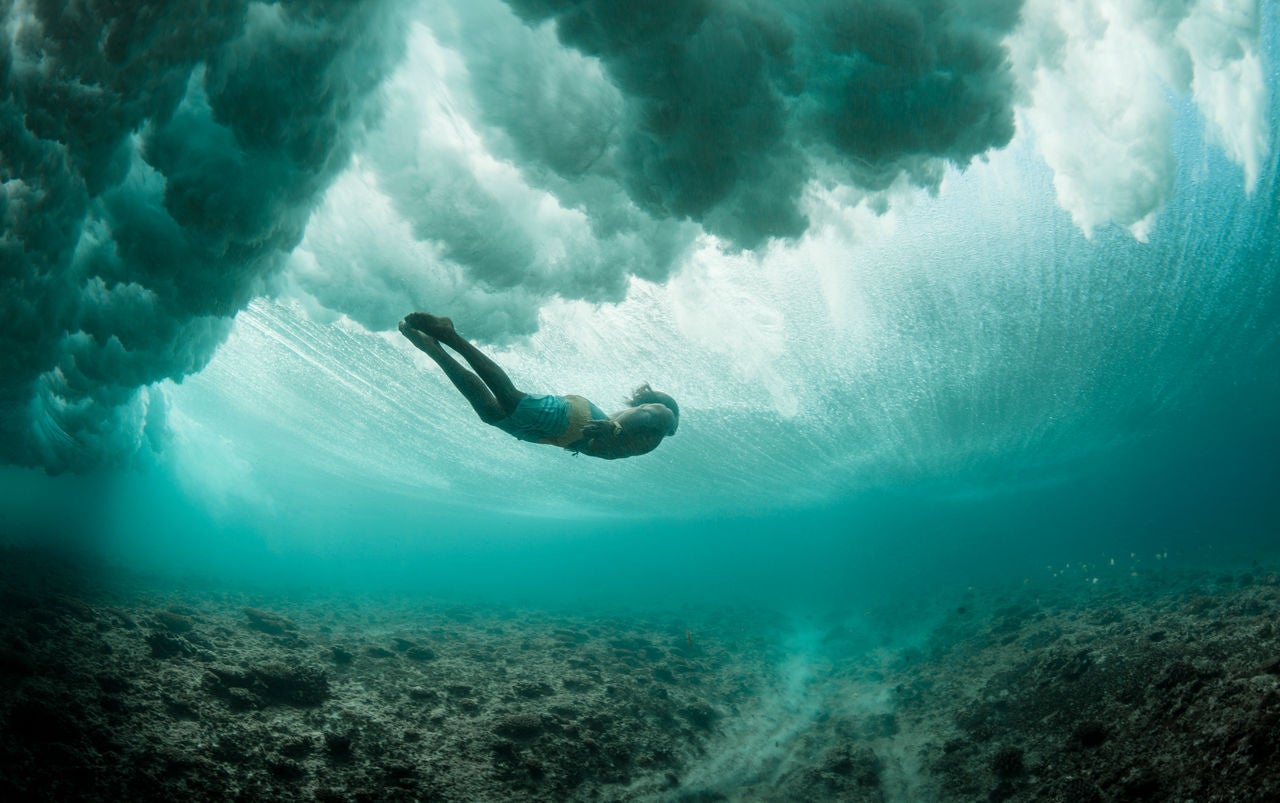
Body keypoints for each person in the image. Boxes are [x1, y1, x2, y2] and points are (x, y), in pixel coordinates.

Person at [398, 313, 678, 459]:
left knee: (491, 414)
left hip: (562, 438)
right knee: (510, 398)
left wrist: (612, 429)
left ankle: (431, 347)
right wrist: (614, 427)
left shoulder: (648, 435)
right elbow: (648, 415)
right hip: (576, 420)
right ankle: (448, 335)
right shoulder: (665, 416)